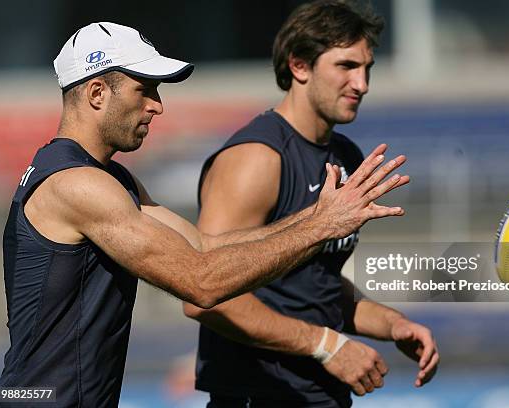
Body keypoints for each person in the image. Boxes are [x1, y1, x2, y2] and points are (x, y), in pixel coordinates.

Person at [0, 22, 407, 407]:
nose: (158, 106)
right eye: (146, 89)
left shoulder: (111, 178)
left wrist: (320, 214)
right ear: (97, 93)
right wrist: (321, 227)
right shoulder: (76, 184)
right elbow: (201, 282)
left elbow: (203, 245)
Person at [183, 2, 440, 407]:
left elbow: (314, 285)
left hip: (322, 395)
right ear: (299, 66)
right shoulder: (257, 157)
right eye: (346, 66)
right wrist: (327, 345)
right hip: (257, 395)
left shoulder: (345, 156)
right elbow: (202, 294)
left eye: (367, 68)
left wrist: (393, 325)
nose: (362, 84)